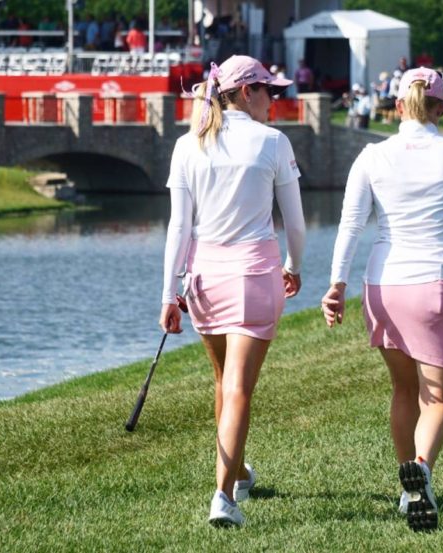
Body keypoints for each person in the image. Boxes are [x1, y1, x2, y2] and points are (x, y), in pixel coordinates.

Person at [320, 67, 443, 532]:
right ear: (442, 107)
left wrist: (337, 283)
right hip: (440, 284)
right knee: (436, 400)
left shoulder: (372, 155)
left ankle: (409, 489)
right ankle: (420, 468)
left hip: (384, 287)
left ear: (398, 106)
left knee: (403, 390)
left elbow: (351, 225)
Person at [159, 54, 305, 527]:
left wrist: (168, 293)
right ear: (247, 92)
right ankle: (223, 497)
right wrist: (294, 266)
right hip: (253, 276)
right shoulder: (273, 142)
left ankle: (237, 472)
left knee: (224, 382)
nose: (273, 100)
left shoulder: (188, 144)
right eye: (269, 91)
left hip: (203, 280)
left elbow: (179, 227)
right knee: (238, 386)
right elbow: (296, 224)